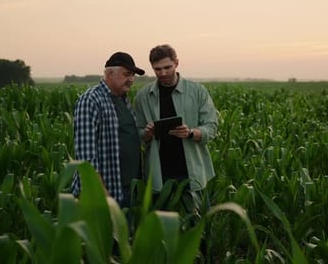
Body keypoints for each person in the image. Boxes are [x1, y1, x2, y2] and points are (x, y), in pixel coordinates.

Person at [133, 44, 218, 209]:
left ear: (177, 63)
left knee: (199, 224)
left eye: (167, 67)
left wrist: (191, 132)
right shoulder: (143, 96)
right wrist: (148, 133)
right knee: (163, 228)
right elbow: (137, 133)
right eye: (157, 69)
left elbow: (211, 126)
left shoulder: (197, 91)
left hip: (192, 170)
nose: (163, 73)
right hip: (159, 173)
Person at [70, 51, 145, 208]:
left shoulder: (124, 100)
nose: (131, 80)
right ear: (110, 73)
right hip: (107, 194)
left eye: (133, 75)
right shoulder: (91, 100)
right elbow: (86, 159)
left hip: (129, 191)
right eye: (127, 74)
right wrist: (103, 196)